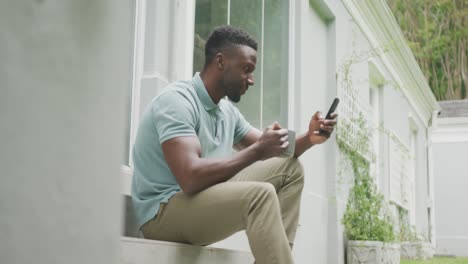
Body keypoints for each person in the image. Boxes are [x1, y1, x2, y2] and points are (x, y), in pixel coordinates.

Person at [131, 25, 337, 264]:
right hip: (162, 214)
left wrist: (310, 137)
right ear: (221, 62)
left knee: (290, 169)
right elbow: (190, 178)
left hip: (197, 202)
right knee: (260, 195)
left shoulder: (226, 111)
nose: (251, 80)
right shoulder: (177, 101)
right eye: (247, 69)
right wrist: (257, 151)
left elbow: (274, 148)